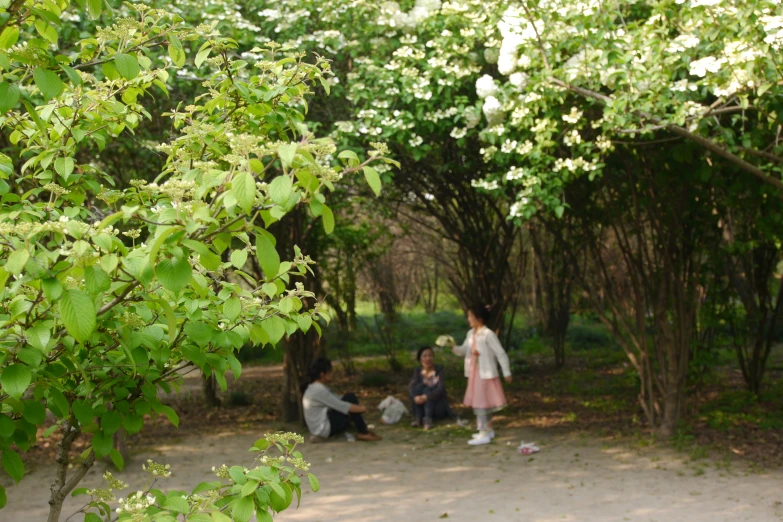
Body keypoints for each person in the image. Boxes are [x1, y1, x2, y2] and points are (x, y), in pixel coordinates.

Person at [451, 304, 512, 446]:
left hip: (485, 373)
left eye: (471, 316)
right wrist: (452, 346)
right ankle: (488, 429)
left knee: (481, 403)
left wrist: (506, 372)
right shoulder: (470, 334)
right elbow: (463, 350)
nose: (469, 319)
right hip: (474, 373)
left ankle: (483, 432)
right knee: (481, 402)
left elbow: (500, 354)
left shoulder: (488, 334)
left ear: (479, 318)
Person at [302, 357, 381, 442]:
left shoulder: (316, 387)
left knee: (350, 399)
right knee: (350, 398)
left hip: (319, 428)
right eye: (330, 372)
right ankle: (363, 432)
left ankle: (361, 430)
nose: (332, 374)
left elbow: (338, 399)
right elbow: (342, 406)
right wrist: (361, 409)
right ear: (322, 374)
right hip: (323, 429)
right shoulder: (318, 390)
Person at [409, 346, 454, 430]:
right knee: (419, 388)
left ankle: (427, 419)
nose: (428, 358)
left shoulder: (439, 370)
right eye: (425, 356)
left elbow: (440, 389)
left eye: (430, 355)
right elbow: (411, 387)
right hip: (421, 404)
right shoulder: (417, 371)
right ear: (420, 359)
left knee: (427, 389)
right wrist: (415, 397)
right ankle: (418, 418)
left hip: (437, 406)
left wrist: (427, 397)